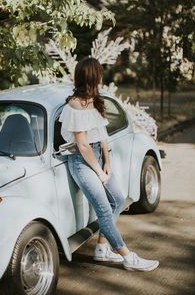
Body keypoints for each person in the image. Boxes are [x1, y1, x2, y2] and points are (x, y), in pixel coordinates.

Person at [59, 57, 159, 271]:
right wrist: (99, 171)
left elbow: (101, 133)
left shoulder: (95, 100)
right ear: (90, 78)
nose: (102, 80)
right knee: (104, 208)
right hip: (81, 162)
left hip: (98, 157)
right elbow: (83, 145)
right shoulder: (74, 105)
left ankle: (102, 248)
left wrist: (108, 160)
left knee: (119, 199)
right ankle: (128, 257)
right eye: (99, 76)